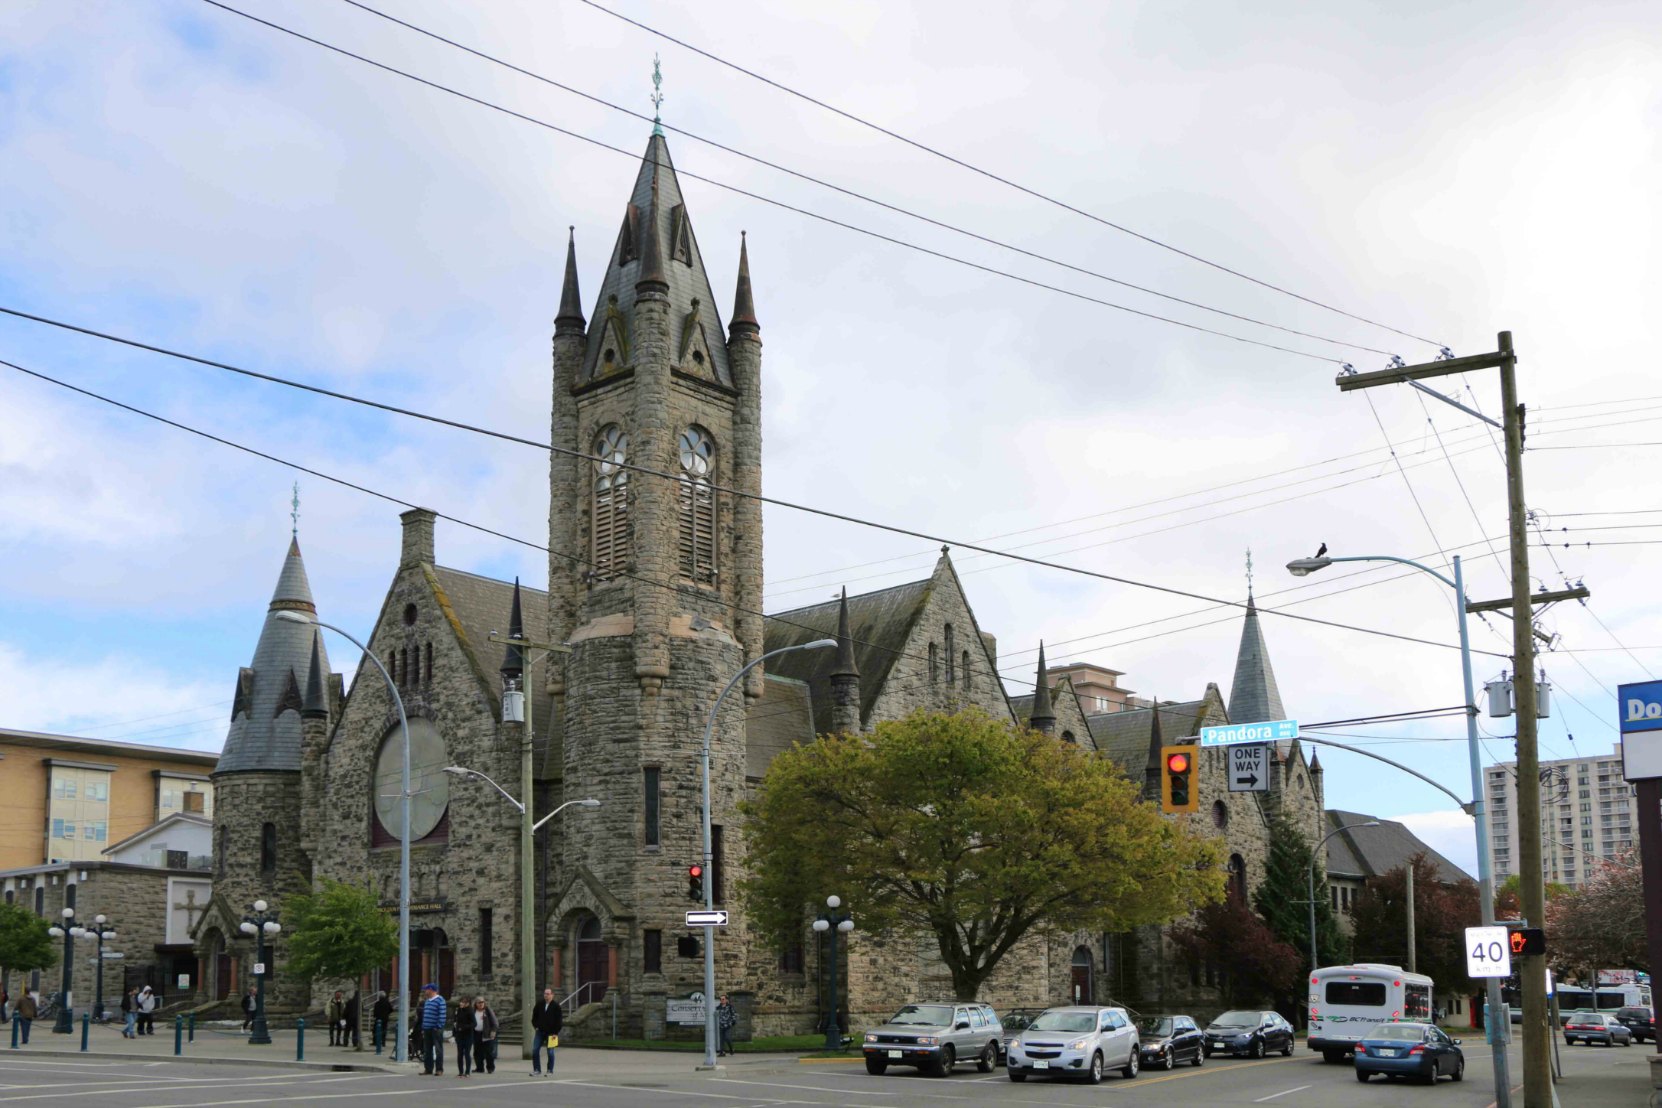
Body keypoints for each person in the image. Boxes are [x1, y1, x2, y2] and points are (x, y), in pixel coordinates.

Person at [528, 986, 562, 1076]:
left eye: (548, 994)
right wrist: (536, 1027)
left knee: (550, 1052)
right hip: (540, 1032)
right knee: (535, 1050)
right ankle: (537, 1069)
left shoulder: (556, 1006)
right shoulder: (539, 1004)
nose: (546, 995)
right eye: (545, 994)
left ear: (552, 995)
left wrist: (555, 1032)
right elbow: (534, 1017)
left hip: (552, 1033)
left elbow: (559, 1021)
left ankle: (550, 1070)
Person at [418, 983, 446, 1076]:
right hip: (427, 1028)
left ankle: (439, 1069)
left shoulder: (440, 1000)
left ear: (431, 990)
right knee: (427, 1050)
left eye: (426, 989)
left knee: (438, 1050)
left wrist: (438, 1026)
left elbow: (442, 1014)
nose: (425, 991)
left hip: (435, 1029)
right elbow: (425, 1015)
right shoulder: (427, 1001)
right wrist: (423, 1027)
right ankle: (428, 1068)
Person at [471, 996, 499, 1076]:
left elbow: (495, 1022)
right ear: (476, 1004)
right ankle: (479, 1068)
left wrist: (493, 1031)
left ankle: (490, 1068)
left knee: (489, 1053)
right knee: (477, 1052)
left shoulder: (488, 1011)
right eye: (479, 1003)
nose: (481, 1004)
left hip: (487, 1034)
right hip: (476, 1033)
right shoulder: (473, 1011)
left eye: (482, 1002)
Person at [451, 995, 474, 1077]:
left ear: (467, 1003)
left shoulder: (470, 1011)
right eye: (461, 1002)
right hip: (459, 1035)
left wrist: (464, 1027)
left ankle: (467, 1072)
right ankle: (460, 1071)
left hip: (468, 1035)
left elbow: (474, 1023)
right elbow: (455, 1022)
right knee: (460, 1053)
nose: (461, 1004)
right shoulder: (458, 1010)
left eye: (463, 1002)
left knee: (467, 1053)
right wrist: (454, 1034)